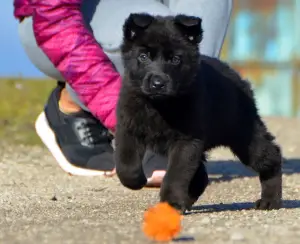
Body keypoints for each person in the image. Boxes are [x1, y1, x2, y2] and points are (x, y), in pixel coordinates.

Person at [14, 0, 233, 186]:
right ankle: (69, 107)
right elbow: (54, 18)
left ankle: (177, 127)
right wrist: (131, 125)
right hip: (53, 23)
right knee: (157, 32)